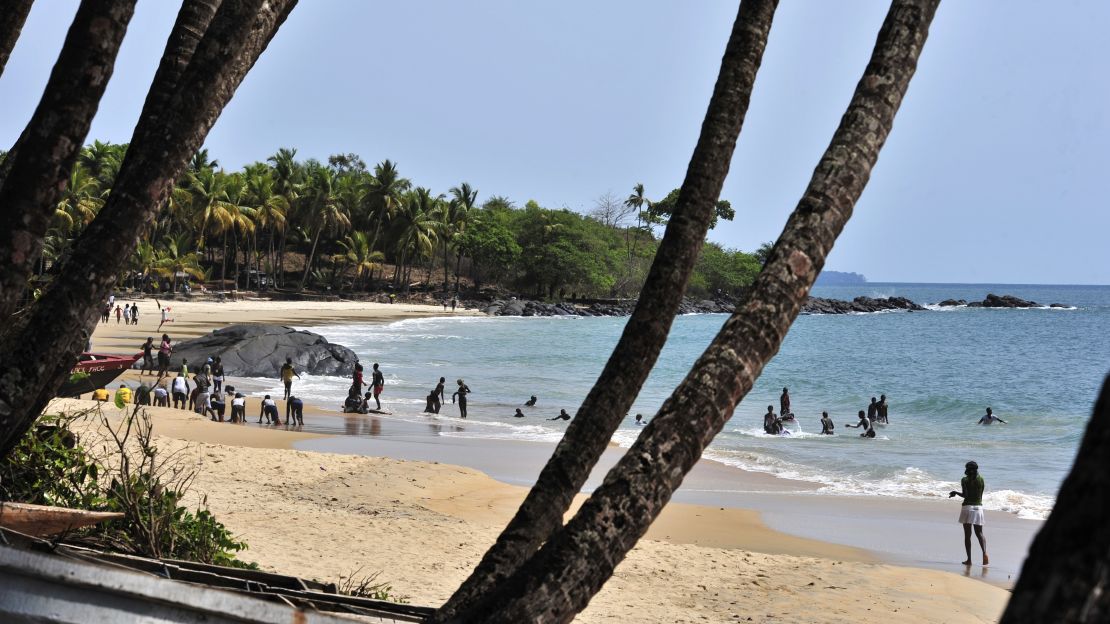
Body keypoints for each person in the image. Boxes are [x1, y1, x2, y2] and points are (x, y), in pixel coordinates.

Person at [949, 461, 989, 565]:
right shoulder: (981, 479)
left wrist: (955, 493)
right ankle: (984, 554)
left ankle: (969, 560)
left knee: (968, 535)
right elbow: (980, 495)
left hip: (967, 508)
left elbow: (965, 495)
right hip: (979, 508)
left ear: (968, 469)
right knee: (980, 533)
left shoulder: (964, 480)